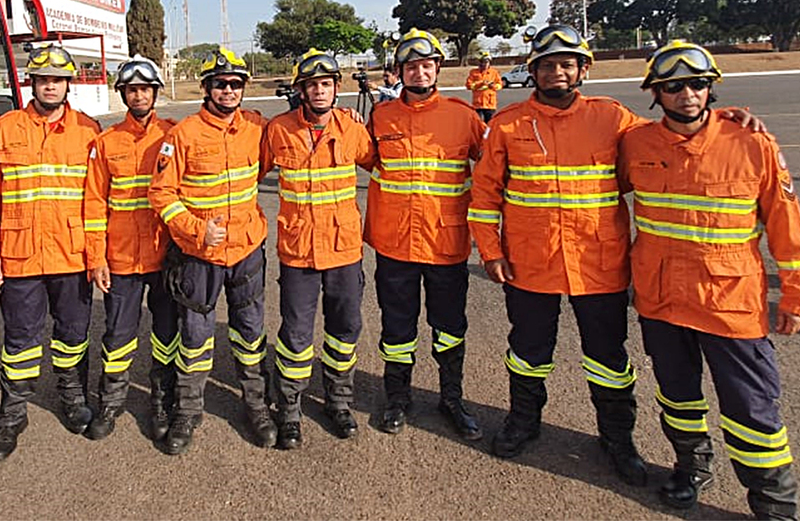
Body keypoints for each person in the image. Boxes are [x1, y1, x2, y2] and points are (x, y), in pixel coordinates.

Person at [618, 41, 800, 520]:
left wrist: (797, 293)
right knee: (677, 393)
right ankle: (690, 466)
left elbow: (787, 223)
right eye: (674, 86)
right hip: (661, 296)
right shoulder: (636, 144)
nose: (687, 95)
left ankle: (772, 503)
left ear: (711, 89)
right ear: (656, 94)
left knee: (751, 407)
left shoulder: (751, 142)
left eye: (699, 85)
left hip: (730, 301)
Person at [468, 24, 648, 484]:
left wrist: (723, 121)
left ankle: (617, 437)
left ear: (583, 69)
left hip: (599, 263)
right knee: (528, 351)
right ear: (534, 72)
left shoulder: (614, 119)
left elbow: (665, 145)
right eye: (547, 65)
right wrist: (490, 252)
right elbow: (485, 195)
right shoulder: (508, 124)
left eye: (567, 64)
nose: (557, 72)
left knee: (608, 356)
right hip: (530, 262)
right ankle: (524, 422)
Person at [0, 43, 102, 461]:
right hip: (19, 254)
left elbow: (98, 198)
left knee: (72, 335)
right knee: (20, 340)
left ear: (69, 84)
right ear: (33, 82)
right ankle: (12, 415)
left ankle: (72, 396)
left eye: (58, 80)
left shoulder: (88, 131)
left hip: (71, 253)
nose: (51, 86)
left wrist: (96, 255)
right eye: (44, 79)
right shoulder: (5, 129)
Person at [148, 46, 275, 455]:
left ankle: (256, 404)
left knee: (250, 330)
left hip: (246, 250)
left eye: (235, 85)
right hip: (199, 255)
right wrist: (195, 228)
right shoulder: (182, 135)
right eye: (220, 84)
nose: (228, 91)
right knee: (196, 336)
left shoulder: (257, 128)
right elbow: (161, 193)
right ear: (206, 88)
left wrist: (349, 115)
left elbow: (294, 134)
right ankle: (187, 409)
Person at [365, 28, 486, 440]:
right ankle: (397, 398)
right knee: (397, 329)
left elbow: (494, 167)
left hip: (445, 244)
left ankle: (452, 397)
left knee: (449, 326)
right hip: (395, 243)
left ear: (438, 68)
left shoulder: (463, 116)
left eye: (427, 65)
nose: (419, 72)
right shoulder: (380, 117)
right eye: (412, 66)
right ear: (400, 71)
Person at [260, 49, 376, 448]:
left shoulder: (351, 129)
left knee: (345, 329)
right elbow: (247, 170)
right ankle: (289, 407)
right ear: (301, 91)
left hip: (344, 250)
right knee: (295, 332)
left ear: (336, 89)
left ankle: (338, 400)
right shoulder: (278, 130)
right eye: (312, 85)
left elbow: (383, 166)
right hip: (299, 252)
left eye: (326, 84)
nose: (320, 91)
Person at [81, 55, 179, 441]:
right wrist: (96, 258)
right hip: (121, 257)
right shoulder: (105, 143)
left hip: (164, 253)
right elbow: (93, 204)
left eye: (145, 89)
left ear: (155, 93)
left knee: (166, 331)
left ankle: (161, 397)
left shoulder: (174, 134)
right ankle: (111, 400)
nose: (138, 95)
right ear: (123, 94)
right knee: (118, 332)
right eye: (131, 89)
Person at [465, 54, 504, 124]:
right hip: (478, 104)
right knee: (477, 123)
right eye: (483, 62)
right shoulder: (474, 72)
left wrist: (493, 86)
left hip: (490, 104)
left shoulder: (494, 73)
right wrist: (481, 83)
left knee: (490, 124)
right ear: (480, 63)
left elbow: (500, 85)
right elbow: (469, 85)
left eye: (487, 62)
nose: (485, 64)